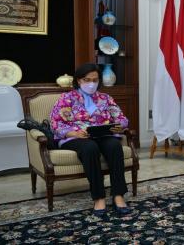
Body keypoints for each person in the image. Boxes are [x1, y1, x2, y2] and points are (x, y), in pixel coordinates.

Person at [50, 63, 131, 216]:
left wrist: (120, 126)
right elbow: (55, 124)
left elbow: (121, 118)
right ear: (79, 80)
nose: (92, 83)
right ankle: (99, 197)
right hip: (76, 137)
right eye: (87, 80)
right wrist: (74, 133)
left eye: (95, 80)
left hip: (103, 134)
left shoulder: (106, 98)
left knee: (114, 145)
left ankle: (118, 195)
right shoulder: (66, 98)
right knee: (90, 148)